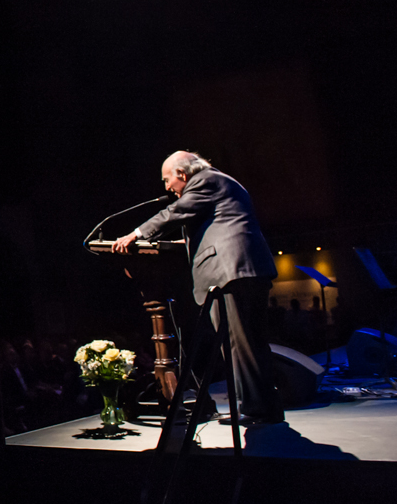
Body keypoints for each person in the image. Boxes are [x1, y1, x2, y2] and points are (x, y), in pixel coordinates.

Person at [112, 151, 284, 425]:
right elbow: (217, 225)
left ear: (181, 173)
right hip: (247, 270)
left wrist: (136, 234)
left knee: (239, 345)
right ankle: (263, 406)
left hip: (231, 272)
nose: (167, 187)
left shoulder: (205, 180)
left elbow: (176, 212)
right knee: (251, 343)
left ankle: (257, 410)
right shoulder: (221, 183)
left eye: (167, 179)